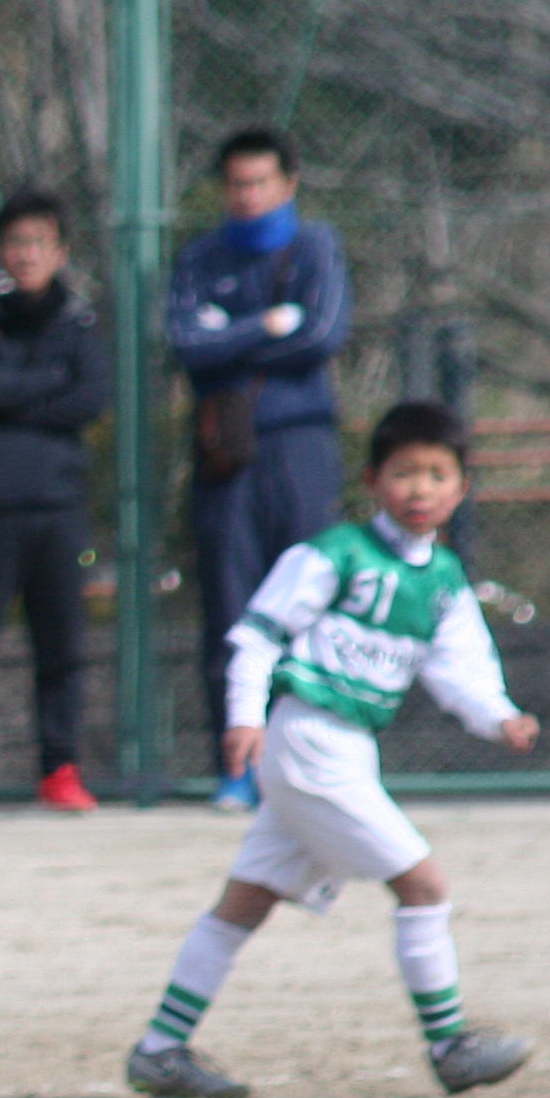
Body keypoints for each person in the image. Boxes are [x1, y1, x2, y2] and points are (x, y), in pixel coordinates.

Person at [124, 403, 539, 1098]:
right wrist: (244, 716)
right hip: (308, 740)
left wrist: (499, 717)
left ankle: (160, 1050)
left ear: (461, 488)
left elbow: (460, 670)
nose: (420, 488)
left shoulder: (442, 580)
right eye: (404, 472)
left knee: (245, 901)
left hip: (347, 750)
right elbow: (257, 636)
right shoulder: (332, 554)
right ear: (371, 481)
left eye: (437, 474)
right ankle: (450, 1047)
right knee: (423, 886)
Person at [171, 126, 352, 811]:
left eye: (259, 182)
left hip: (301, 444)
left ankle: (311, 759)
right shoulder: (198, 258)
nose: (246, 195)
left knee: (310, 597)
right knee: (230, 602)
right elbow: (188, 345)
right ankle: (236, 767)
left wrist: (231, 335)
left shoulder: (315, 246)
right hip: (227, 450)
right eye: (235, 184)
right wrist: (268, 325)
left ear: (288, 184)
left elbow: (322, 334)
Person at [0, 187, 108, 819]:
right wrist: (48, 385)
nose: (26, 254)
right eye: (15, 243)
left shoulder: (78, 318)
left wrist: (13, 396)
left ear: (59, 252)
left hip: (60, 510)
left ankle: (60, 768)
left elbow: (90, 396)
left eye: (38, 243)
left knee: (63, 647)